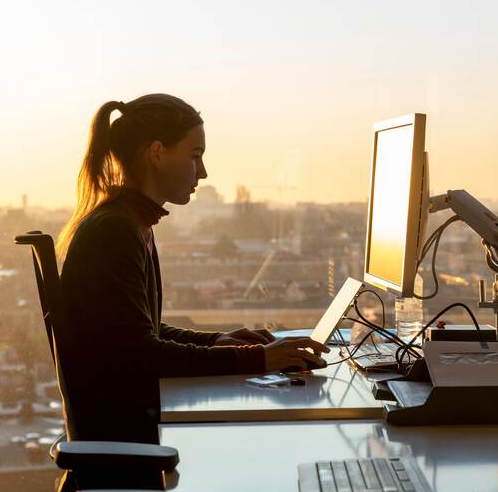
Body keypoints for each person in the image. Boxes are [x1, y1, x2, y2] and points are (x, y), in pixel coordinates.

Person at [56, 94, 328, 444]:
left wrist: (218, 341)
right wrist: (257, 359)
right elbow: (140, 354)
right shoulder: (115, 232)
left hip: (132, 425)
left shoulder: (131, 223)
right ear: (157, 153)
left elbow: (139, 332)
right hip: (129, 441)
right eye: (195, 156)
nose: (203, 172)